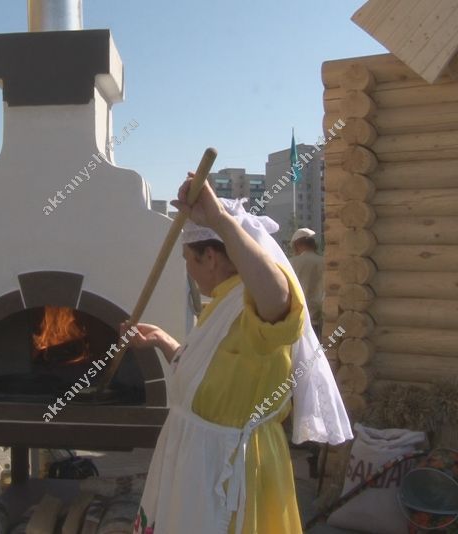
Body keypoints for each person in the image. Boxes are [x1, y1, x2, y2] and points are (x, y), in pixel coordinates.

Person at [123, 176, 352, 534]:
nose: (187, 269)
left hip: (234, 468)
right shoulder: (221, 305)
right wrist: (164, 342)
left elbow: (279, 301)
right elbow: (213, 374)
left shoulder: (252, 303)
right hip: (196, 461)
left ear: (210, 257)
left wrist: (219, 220)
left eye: (188, 259)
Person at [289, 228, 323, 338]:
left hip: (296, 319)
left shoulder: (291, 263)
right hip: (318, 319)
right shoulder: (323, 262)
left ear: (297, 244)